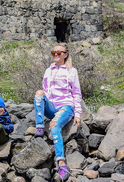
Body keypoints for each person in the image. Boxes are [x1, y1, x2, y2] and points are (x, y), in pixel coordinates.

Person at [34, 43, 82, 181]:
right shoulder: (49, 70)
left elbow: (77, 94)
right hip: (52, 107)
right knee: (38, 93)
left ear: (65, 54)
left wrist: (77, 114)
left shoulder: (72, 71)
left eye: (59, 52)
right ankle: (39, 128)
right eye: (53, 52)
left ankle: (61, 163)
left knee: (54, 126)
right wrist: (44, 99)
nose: (56, 54)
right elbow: (46, 90)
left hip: (65, 106)